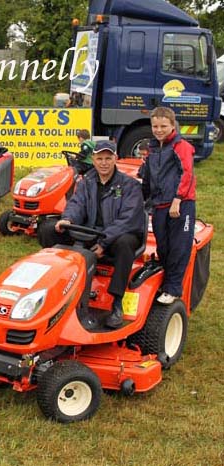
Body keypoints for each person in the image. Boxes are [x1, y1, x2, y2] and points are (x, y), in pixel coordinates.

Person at [38, 140, 145, 328]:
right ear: (93, 160)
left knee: (125, 243)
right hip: (91, 232)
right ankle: (55, 284)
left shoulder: (130, 186)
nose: (104, 163)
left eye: (108, 158)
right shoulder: (86, 181)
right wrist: (68, 220)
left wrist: (104, 243)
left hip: (117, 235)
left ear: (115, 159)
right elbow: (77, 204)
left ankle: (117, 302)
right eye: (99, 158)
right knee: (48, 228)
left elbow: (128, 219)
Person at [139, 107, 196, 305]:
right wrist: (139, 199)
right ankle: (163, 283)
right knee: (163, 246)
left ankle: (173, 289)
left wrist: (178, 199)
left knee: (178, 247)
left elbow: (186, 173)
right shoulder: (153, 148)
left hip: (180, 205)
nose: (159, 130)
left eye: (163, 126)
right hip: (159, 204)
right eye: (155, 126)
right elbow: (147, 177)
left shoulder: (181, 146)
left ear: (173, 125)